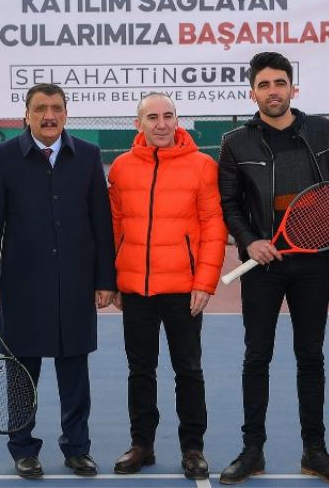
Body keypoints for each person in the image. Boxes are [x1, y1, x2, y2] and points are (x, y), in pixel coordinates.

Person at [217, 51, 329, 486]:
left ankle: (315, 451)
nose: (272, 92)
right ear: (252, 93)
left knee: (311, 357)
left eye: (279, 83)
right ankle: (252, 450)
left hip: (312, 263)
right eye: (264, 85)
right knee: (257, 357)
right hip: (262, 266)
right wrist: (249, 241)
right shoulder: (235, 141)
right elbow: (229, 203)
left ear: (293, 87)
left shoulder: (321, 130)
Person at [0, 83, 116, 478]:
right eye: (40, 108)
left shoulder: (88, 155)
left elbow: (101, 223)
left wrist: (105, 279)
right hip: (21, 286)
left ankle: (77, 448)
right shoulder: (3, 157)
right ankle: (23, 448)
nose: (48, 116)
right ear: (27, 114)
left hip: (75, 284)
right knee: (21, 375)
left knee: (75, 375)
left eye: (55, 108)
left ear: (66, 114)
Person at [107, 93, 227, 479]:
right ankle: (141, 445)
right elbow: (114, 225)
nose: (161, 124)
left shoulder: (203, 166)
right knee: (140, 370)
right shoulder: (121, 168)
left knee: (188, 370)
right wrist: (115, 279)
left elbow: (213, 227)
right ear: (138, 123)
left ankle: (193, 448)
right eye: (152, 117)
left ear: (178, 120)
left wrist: (205, 282)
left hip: (183, 290)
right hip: (136, 291)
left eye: (168, 116)